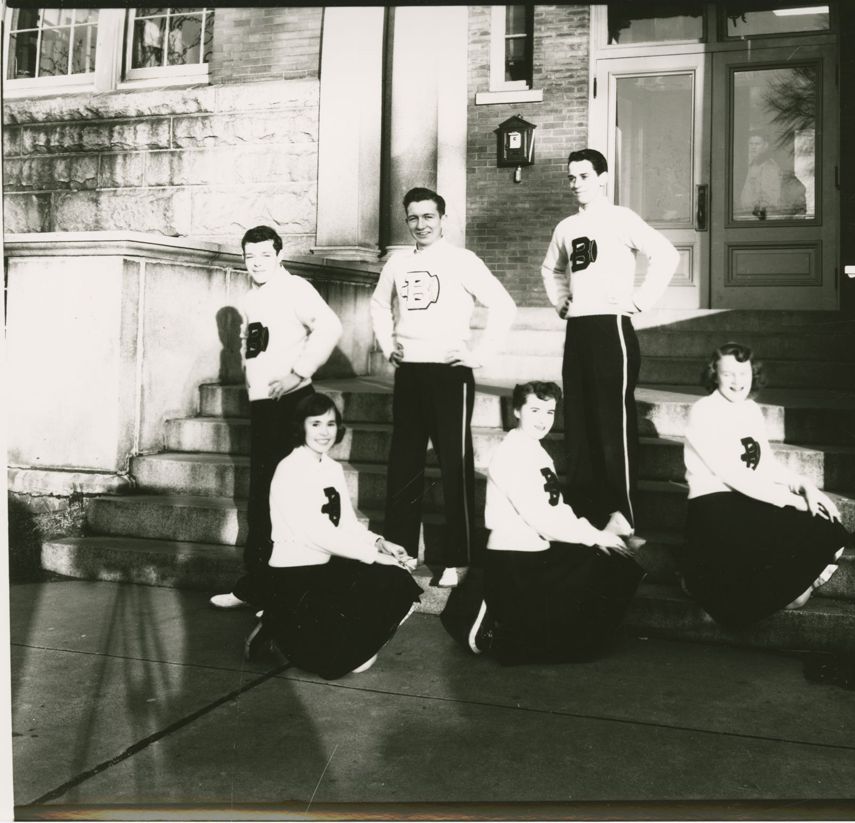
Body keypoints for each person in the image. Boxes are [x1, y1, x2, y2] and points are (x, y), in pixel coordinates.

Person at [370, 187, 516, 588]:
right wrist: (387, 346)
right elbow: (379, 306)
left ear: (442, 219)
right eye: (413, 218)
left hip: (450, 374)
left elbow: (504, 305)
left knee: (455, 465)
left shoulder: (462, 261)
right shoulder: (397, 263)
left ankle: (459, 557)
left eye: (428, 217)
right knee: (404, 463)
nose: (421, 225)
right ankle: (400, 551)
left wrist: (478, 354)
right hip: (410, 373)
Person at [441, 381, 645, 665]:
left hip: (536, 551)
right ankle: (496, 609)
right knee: (604, 562)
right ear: (516, 410)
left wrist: (598, 534)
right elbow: (541, 518)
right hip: (515, 561)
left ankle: (565, 635)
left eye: (549, 412)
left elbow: (557, 510)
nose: (542, 419)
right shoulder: (512, 452)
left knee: (614, 560)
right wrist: (596, 536)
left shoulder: (536, 451)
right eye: (534, 409)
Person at [540, 148, 679, 535]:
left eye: (583, 176)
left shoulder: (621, 218)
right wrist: (559, 300)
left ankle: (623, 512)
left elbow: (665, 255)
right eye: (571, 177)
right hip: (579, 329)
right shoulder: (566, 226)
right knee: (580, 420)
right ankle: (585, 509)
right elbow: (549, 268)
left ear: (602, 177)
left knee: (612, 421)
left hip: (612, 328)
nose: (576, 184)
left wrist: (639, 301)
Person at [210, 225, 343, 610]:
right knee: (262, 495)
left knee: (290, 496)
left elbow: (329, 325)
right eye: (251, 257)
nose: (258, 263)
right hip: (264, 405)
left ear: (280, 255)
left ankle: (288, 589)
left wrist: (299, 371)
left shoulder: (296, 287)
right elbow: (251, 345)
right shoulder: (253, 297)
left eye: (265, 255)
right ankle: (257, 584)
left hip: (295, 402)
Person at [244, 393, 422, 678]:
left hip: (326, 568)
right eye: (315, 424)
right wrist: (374, 557)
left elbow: (346, 525)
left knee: (397, 582)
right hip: (295, 576)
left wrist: (380, 543)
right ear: (300, 426)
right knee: (341, 663)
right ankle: (278, 620)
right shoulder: (290, 468)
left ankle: (280, 622)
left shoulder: (332, 467)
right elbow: (317, 534)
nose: (325, 432)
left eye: (330, 423)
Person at [680, 342, 847, 628]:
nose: (737, 382)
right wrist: (788, 500)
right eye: (728, 374)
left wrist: (805, 487)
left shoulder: (751, 410)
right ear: (714, 374)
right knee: (796, 567)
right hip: (714, 506)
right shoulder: (704, 411)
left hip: (748, 498)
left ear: (753, 374)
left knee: (830, 526)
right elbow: (733, 475)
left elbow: (764, 464)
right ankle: (697, 579)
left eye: (743, 373)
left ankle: (791, 588)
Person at [738, 132, 781, 220]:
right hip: (747, 215)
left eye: (757, 144)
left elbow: (768, 200)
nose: (753, 147)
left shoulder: (769, 167)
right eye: (751, 144)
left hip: (759, 219)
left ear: (765, 146)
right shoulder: (752, 165)